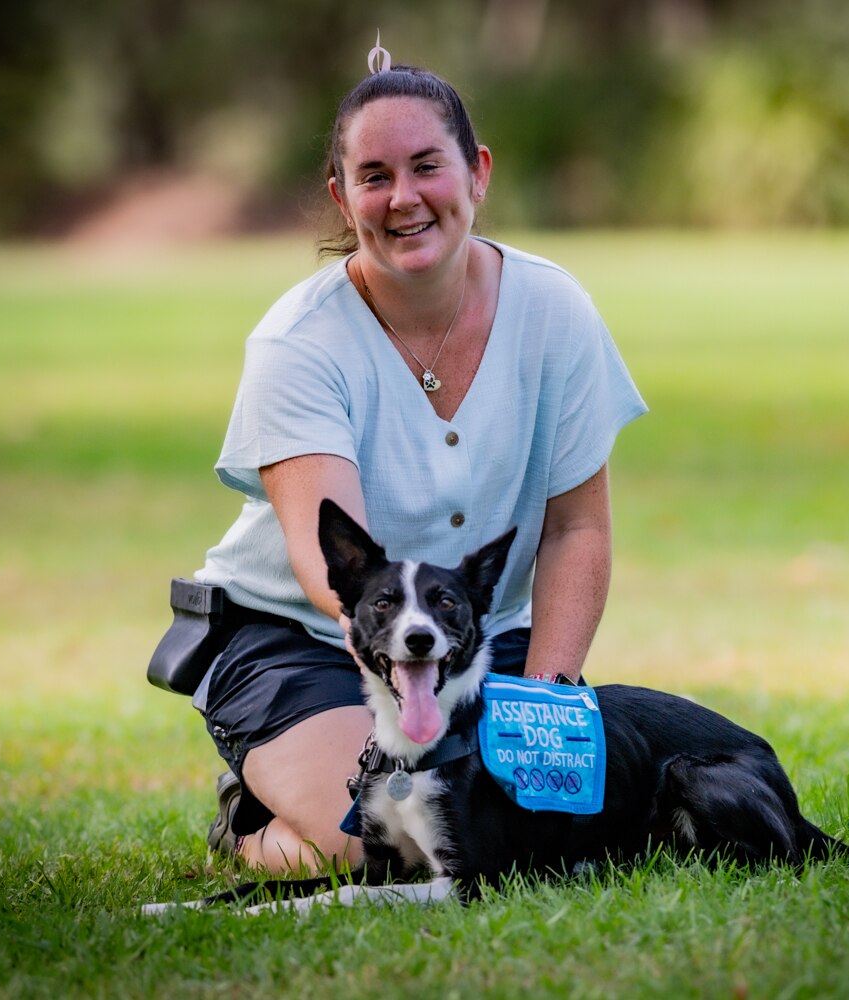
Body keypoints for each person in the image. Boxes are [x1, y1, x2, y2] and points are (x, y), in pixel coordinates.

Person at [186, 46, 646, 875]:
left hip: (472, 642)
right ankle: (251, 818)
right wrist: (407, 699)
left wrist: (537, 712)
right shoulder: (299, 344)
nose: (404, 198)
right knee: (385, 850)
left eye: (428, 166)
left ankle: (330, 791)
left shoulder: (557, 311)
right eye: (374, 176)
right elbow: (336, 570)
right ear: (341, 197)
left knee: (512, 838)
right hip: (302, 641)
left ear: (478, 174)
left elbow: (577, 530)